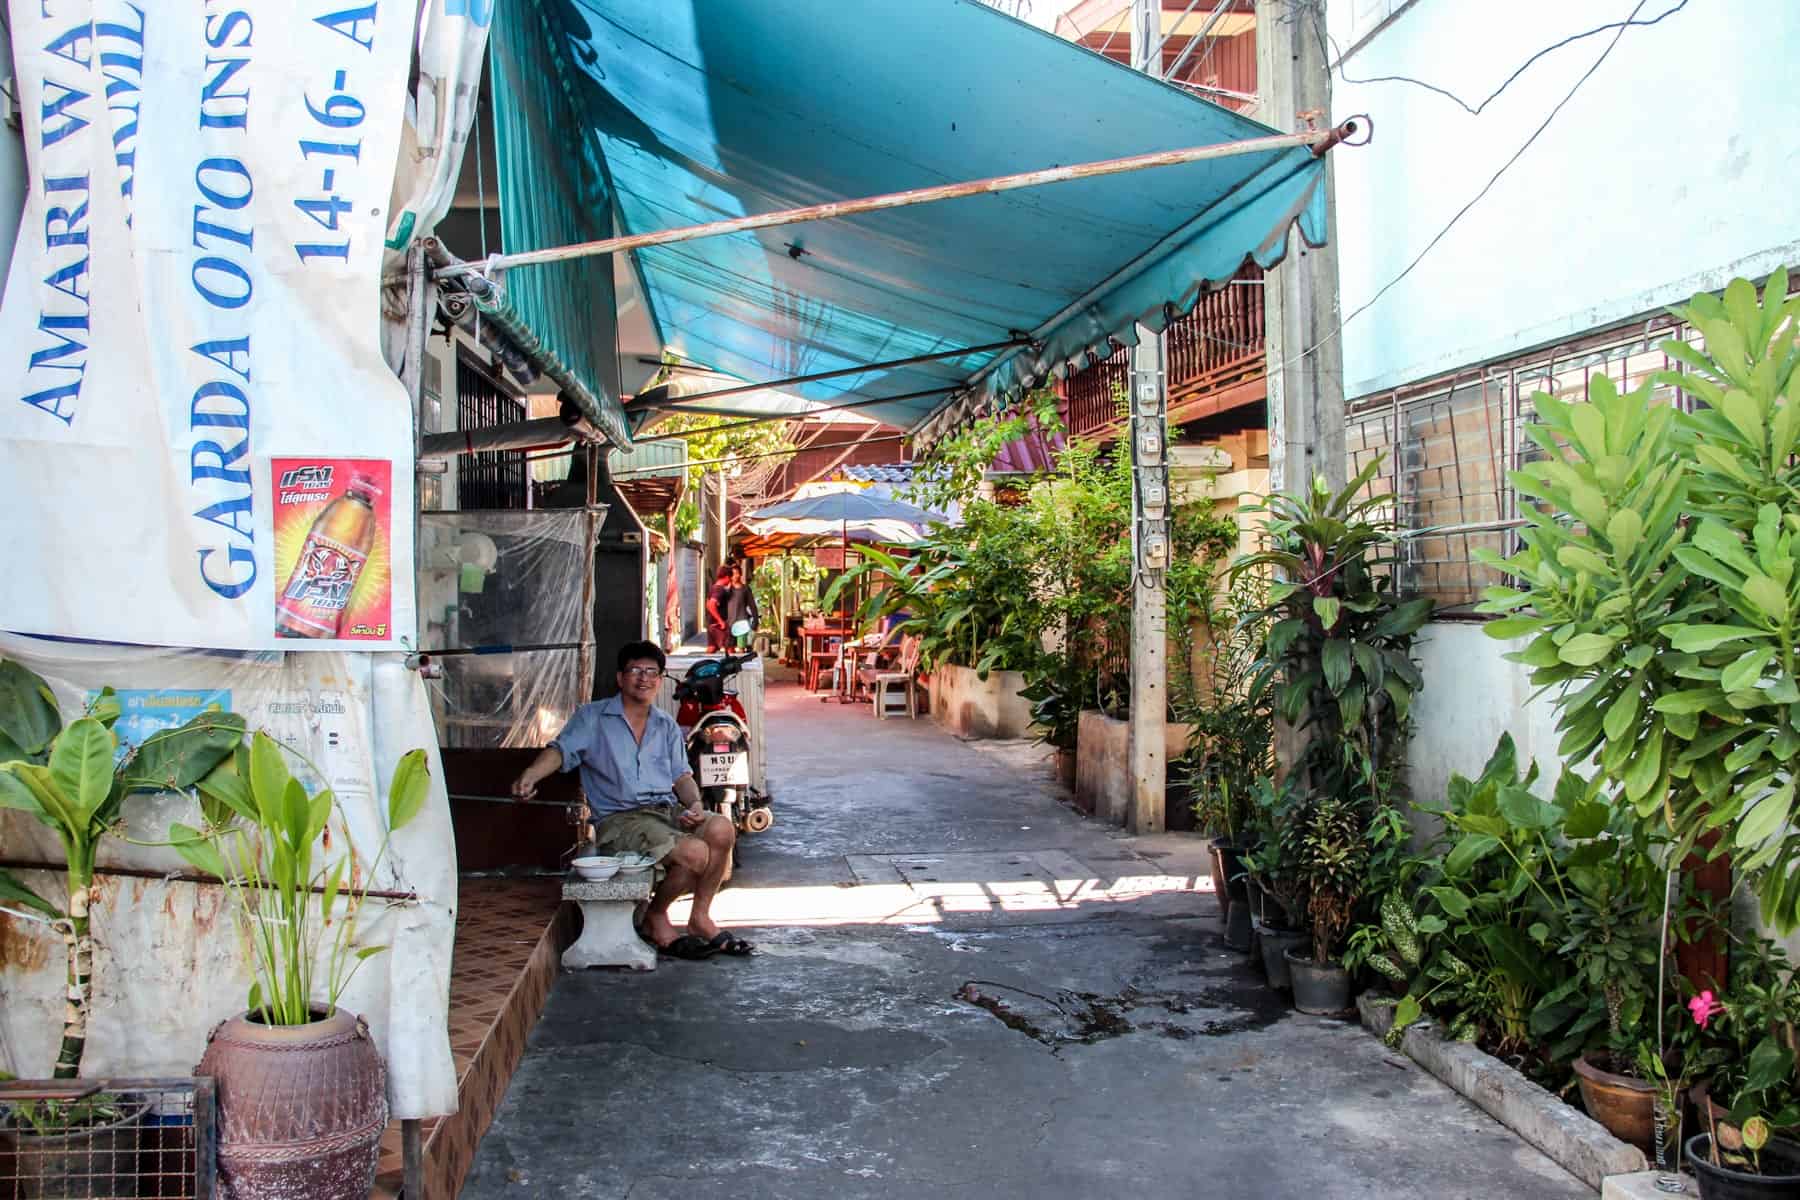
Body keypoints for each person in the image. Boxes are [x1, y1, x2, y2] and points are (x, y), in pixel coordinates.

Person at [510, 641, 752, 960]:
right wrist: (530, 775)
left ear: (660, 678)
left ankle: (699, 918)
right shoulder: (593, 718)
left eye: (652, 672)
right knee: (694, 853)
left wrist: (694, 806)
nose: (643, 678)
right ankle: (656, 916)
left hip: (665, 814)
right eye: (635, 670)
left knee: (721, 829)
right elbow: (560, 751)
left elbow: (681, 776)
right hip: (620, 820)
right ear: (620, 678)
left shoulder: (664, 724)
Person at [726, 562, 759, 648]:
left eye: (737, 573)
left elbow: (752, 606)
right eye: (733, 574)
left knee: (741, 648)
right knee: (730, 649)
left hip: (742, 622)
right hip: (729, 623)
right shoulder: (727, 589)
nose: (735, 576)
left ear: (740, 574)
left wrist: (756, 621)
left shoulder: (745, 589)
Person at [704, 564, 732, 651]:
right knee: (729, 648)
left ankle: (707, 664)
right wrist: (720, 621)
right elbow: (711, 605)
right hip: (719, 625)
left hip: (712, 623)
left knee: (712, 648)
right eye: (730, 578)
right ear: (727, 577)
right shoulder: (719, 589)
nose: (730, 580)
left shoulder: (714, 587)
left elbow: (707, 604)